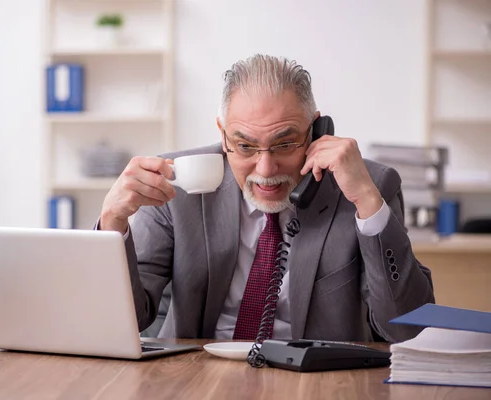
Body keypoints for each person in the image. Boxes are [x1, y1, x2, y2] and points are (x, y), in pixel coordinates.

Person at [98, 54, 434, 343]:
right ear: (222, 132)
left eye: (285, 143)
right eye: (245, 145)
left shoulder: (369, 185)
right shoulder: (179, 184)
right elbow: (123, 320)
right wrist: (113, 221)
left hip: (317, 382)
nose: (265, 167)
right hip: (198, 375)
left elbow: (406, 328)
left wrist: (367, 202)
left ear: (317, 131)